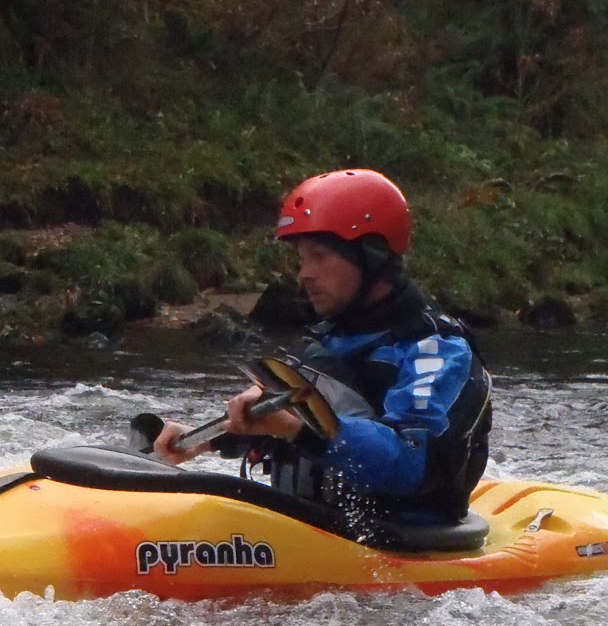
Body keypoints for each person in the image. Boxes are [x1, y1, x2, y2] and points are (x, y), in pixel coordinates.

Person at [152, 168, 492, 530]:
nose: (305, 273)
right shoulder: (326, 343)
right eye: (302, 259)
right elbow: (282, 423)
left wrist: (300, 427)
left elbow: (411, 463)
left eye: (319, 256)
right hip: (312, 527)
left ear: (372, 256)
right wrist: (204, 440)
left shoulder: (437, 351)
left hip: (405, 541)